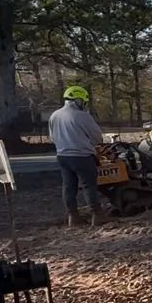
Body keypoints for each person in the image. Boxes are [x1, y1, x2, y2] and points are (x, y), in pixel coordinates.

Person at [48, 85, 107, 227]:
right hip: (82, 156)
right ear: (78, 100)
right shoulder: (82, 116)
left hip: (62, 157)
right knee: (89, 186)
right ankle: (97, 216)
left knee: (68, 187)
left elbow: (52, 137)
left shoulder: (54, 116)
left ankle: (73, 218)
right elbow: (98, 137)